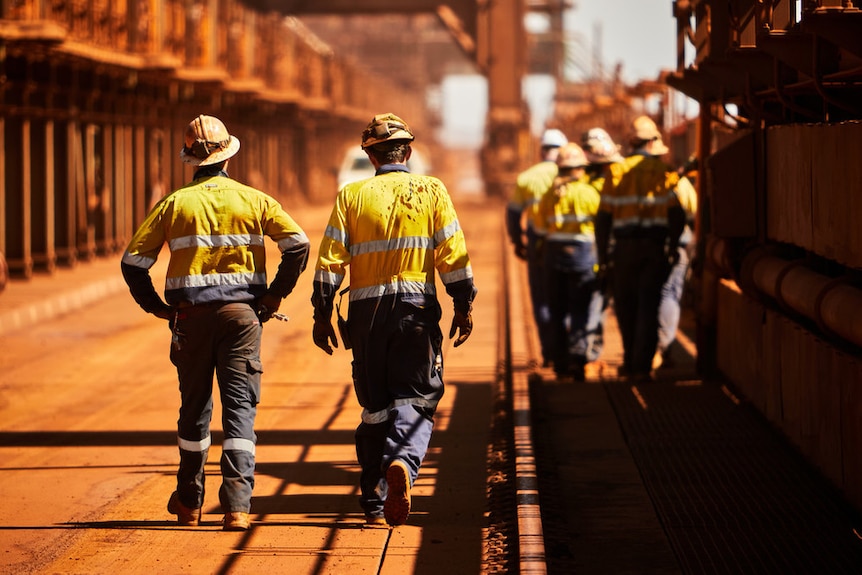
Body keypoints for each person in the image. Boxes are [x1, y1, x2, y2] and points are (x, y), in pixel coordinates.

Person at [120, 114, 310, 531]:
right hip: (243, 317)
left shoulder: (173, 204)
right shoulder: (254, 200)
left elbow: (133, 263)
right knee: (239, 409)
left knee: (194, 410)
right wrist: (275, 294)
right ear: (228, 156)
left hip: (190, 317)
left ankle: (189, 503)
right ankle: (237, 507)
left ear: (189, 158)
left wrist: (157, 307)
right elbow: (298, 245)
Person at [311, 113, 477, 527]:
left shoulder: (351, 197)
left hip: (365, 316)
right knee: (417, 398)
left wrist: (321, 312)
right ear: (410, 152)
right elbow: (453, 255)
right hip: (415, 311)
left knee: (375, 406)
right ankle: (402, 461)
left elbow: (330, 261)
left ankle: (372, 500)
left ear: (370, 155)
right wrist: (463, 302)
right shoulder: (432, 190)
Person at [595, 115, 686, 382]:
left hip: (624, 251)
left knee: (625, 307)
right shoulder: (663, 173)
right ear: (652, 142)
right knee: (649, 306)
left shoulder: (616, 172)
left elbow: (603, 220)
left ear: (631, 142)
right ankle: (642, 368)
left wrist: (603, 256)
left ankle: (628, 360)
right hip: (653, 249)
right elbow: (677, 215)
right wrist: (671, 245)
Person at [536, 143, 603, 380]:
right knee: (580, 310)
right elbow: (601, 225)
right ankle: (578, 359)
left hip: (554, 255)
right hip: (583, 257)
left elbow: (540, 227)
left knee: (558, 310)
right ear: (579, 169)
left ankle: (560, 363)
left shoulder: (549, 194)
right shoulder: (589, 193)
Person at [506, 128, 568, 366]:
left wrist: (518, 241)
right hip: (565, 241)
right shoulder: (571, 174)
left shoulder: (528, 177)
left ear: (542, 150)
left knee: (542, 298)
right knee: (566, 296)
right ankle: (569, 352)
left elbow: (513, 213)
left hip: (537, 242)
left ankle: (549, 354)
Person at [655, 158, 698, 370]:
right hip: (677, 244)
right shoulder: (681, 184)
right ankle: (664, 347)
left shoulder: (648, 182)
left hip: (650, 243)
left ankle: (645, 352)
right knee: (669, 294)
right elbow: (693, 213)